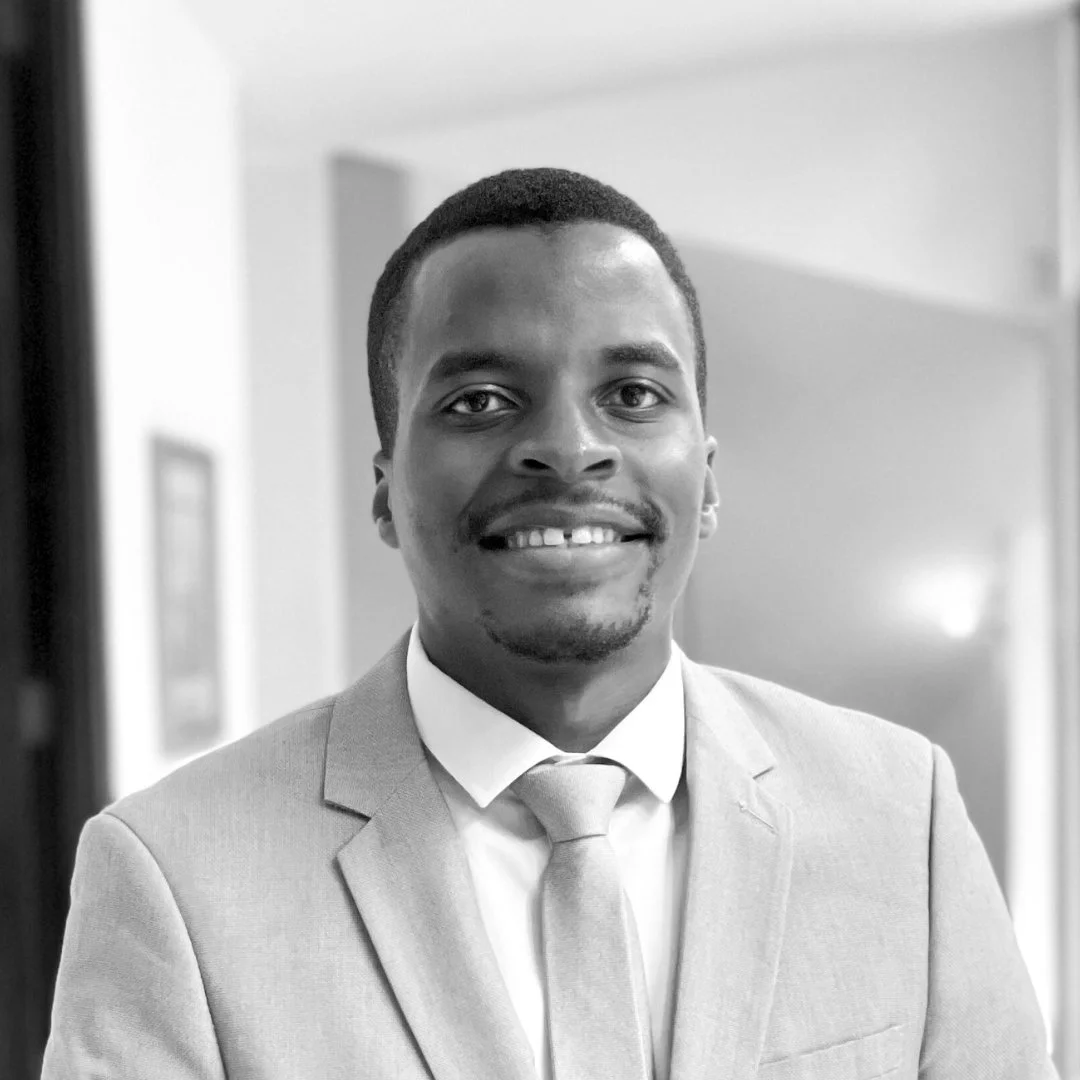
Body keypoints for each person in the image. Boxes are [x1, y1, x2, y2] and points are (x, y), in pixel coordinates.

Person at [42, 167, 1058, 1079]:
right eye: (481, 400)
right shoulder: (171, 874)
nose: (568, 449)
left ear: (706, 481)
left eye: (632, 392)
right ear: (386, 491)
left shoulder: (902, 817)